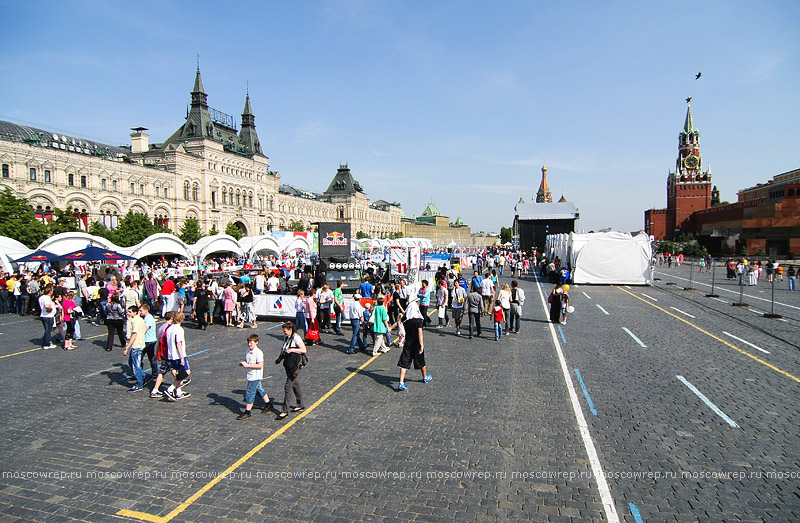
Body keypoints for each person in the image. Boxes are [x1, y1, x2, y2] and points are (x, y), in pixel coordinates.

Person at [396, 299, 431, 391]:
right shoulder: (419, 320)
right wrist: (422, 345)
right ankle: (425, 377)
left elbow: (402, 318)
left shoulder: (406, 321)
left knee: (404, 362)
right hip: (416, 343)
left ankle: (401, 382)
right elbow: (420, 334)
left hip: (408, 343)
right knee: (421, 361)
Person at [274, 322, 307, 420]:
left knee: (288, 386)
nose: (284, 333)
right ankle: (300, 403)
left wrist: (292, 349)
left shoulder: (296, 337)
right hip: (288, 364)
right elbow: (285, 349)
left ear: (290, 330)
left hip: (294, 365)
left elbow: (304, 350)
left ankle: (285, 410)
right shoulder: (287, 337)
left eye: (285, 331)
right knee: (295, 384)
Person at [237, 334, 273, 420]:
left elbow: (260, 365)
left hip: (255, 376)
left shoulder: (258, 353)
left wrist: (247, 365)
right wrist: (244, 364)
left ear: (256, 343)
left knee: (250, 393)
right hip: (250, 375)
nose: (249, 345)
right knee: (259, 390)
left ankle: (247, 412)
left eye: (251, 343)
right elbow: (248, 361)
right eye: (249, 343)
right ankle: (268, 405)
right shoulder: (248, 351)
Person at [165, 312, 191, 401]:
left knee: (178, 373)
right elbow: (178, 343)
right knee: (186, 372)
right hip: (178, 355)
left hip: (171, 355)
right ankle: (171, 388)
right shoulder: (179, 329)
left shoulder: (169, 329)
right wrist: (182, 357)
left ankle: (178, 392)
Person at [123, 305, 147, 392]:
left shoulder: (136, 321)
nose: (128, 313)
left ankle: (139, 384)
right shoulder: (138, 320)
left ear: (135, 312)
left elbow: (134, 334)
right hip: (138, 344)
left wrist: (127, 346)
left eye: (130, 312)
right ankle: (143, 376)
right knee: (131, 363)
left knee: (136, 366)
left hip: (137, 345)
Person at [38, 285, 57, 350]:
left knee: (47, 330)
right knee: (48, 330)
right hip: (48, 316)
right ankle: (47, 344)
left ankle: (45, 342)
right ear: (50, 292)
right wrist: (50, 309)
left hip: (43, 315)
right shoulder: (47, 298)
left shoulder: (41, 297)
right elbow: (47, 305)